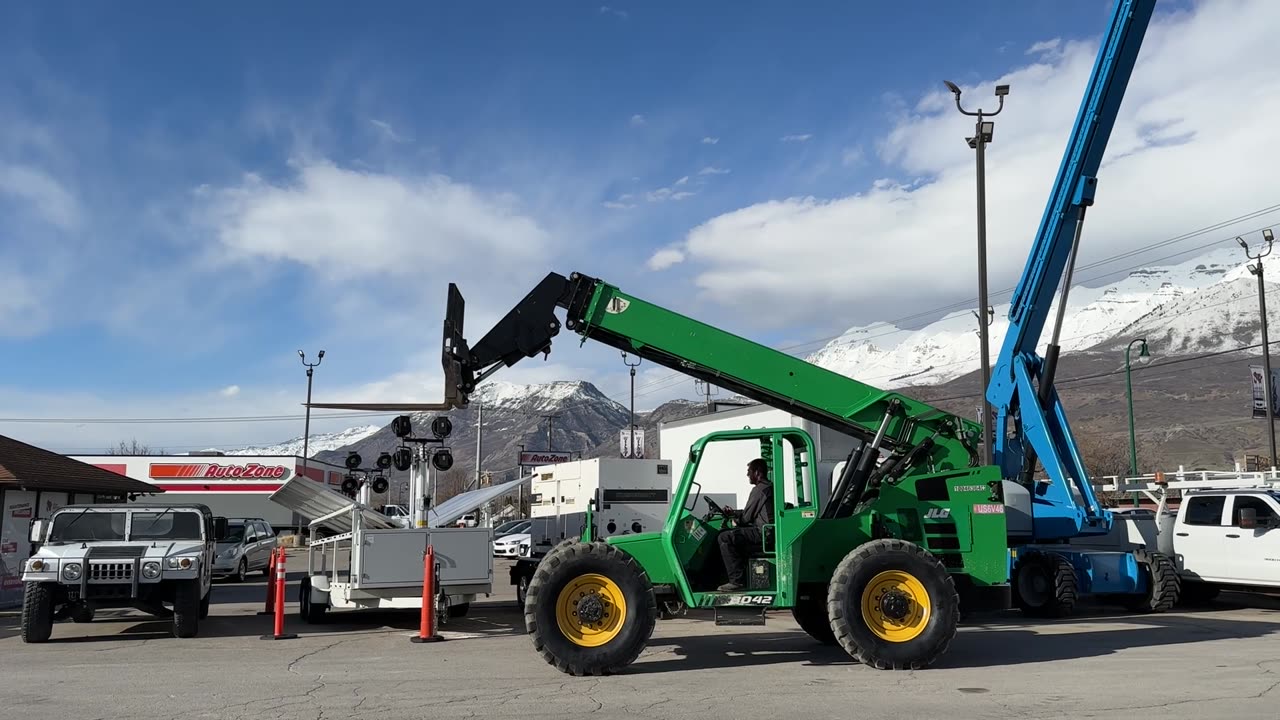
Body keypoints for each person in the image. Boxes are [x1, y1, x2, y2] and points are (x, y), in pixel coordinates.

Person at [716, 458, 774, 592]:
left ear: (757, 472)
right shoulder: (767, 487)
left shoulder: (760, 489)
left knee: (725, 537)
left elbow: (746, 518)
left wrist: (736, 519)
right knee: (733, 535)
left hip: (763, 533)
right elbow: (750, 512)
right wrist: (734, 513)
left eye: (749, 471)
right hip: (766, 531)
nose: (747, 475)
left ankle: (737, 581)